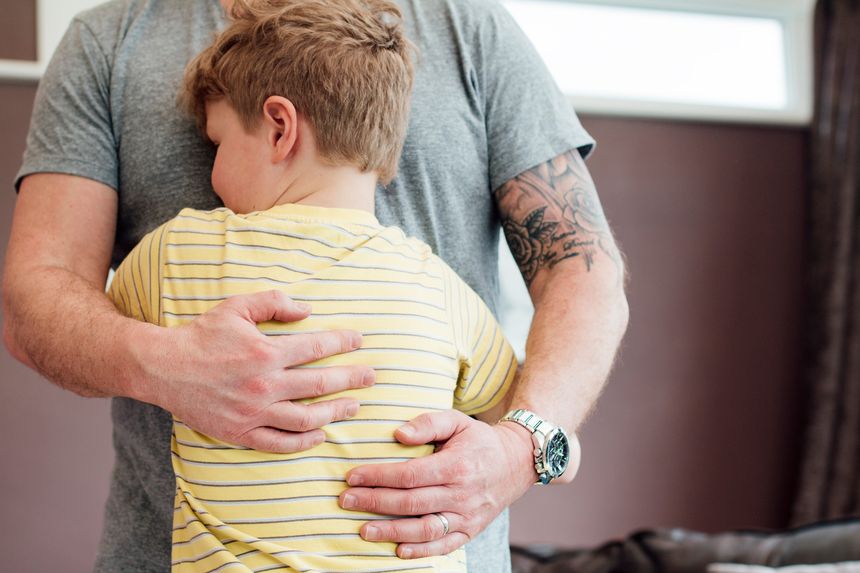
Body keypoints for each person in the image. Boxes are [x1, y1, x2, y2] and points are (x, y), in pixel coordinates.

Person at [2, 0, 629, 571]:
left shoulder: (469, 29)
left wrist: (523, 450)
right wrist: (164, 364)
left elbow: (583, 268)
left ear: (279, 128)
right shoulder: (110, 40)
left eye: (215, 146)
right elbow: (37, 301)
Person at [107, 1, 517, 570]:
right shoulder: (440, 290)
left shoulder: (177, 254)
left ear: (279, 128)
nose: (211, 171)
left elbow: (93, 327)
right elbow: (507, 407)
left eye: (218, 143)